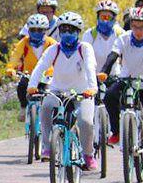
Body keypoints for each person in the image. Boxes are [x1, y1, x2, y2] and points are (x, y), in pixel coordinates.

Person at [26, 12, 98, 170]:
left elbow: (90, 67)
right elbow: (41, 67)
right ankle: (46, 147)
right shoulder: (54, 49)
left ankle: (88, 154)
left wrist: (92, 88)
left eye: (71, 30)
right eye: (63, 30)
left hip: (82, 92)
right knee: (45, 108)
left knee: (85, 121)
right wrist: (32, 85)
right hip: (57, 90)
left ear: (78, 32)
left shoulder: (84, 48)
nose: (67, 34)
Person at [99, 6, 143, 170]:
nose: (138, 30)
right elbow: (113, 56)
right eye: (135, 25)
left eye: (142, 26)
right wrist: (104, 72)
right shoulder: (124, 38)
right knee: (109, 96)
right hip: (127, 79)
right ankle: (116, 131)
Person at [6, 13, 58, 121]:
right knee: (21, 86)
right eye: (33, 30)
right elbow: (15, 55)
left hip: (47, 76)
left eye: (40, 30)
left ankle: (54, 119)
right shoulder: (24, 42)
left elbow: (59, 58)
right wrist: (11, 68)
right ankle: (24, 108)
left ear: (45, 30)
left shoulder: (51, 43)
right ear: (29, 30)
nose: (36, 33)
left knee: (51, 96)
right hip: (29, 74)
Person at [83, 0, 125, 85]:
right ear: (97, 18)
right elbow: (83, 58)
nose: (105, 21)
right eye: (102, 17)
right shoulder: (90, 34)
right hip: (93, 78)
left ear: (114, 19)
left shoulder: (120, 34)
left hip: (115, 77)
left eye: (108, 17)